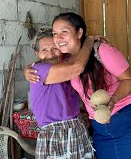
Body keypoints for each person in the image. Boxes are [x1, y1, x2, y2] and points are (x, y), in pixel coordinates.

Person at [25, 12, 131, 159]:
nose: (58, 38)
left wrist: (113, 100)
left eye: (64, 32)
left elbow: (129, 79)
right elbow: (61, 65)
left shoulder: (101, 50)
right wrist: (28, 68)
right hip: (100, 129)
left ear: (79, 32)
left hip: (127, 123)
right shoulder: (66, 61)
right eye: (55, 33)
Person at [29, 28, 104, 159]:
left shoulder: (66, 65)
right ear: (36, 53)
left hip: (76, 128)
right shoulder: (37, 71)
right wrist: (89, 40)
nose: (50, 54)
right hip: (54, 136)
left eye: (54, 48)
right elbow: (78, 68)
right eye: (44, 50)